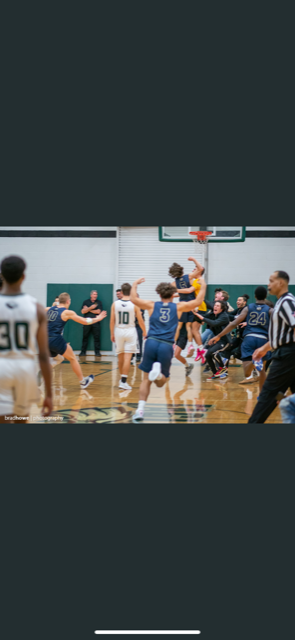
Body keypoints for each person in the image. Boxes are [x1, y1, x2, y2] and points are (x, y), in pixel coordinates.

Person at [130, 276, 206, 422]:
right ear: (173, 295)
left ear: (159, 294)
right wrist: (202, 286)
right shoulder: (178, 307)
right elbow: (197, 302)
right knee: (161, 382)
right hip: (166, 345)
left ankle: (140, 410)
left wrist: (135, 284)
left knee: (146, 380)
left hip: (151, 343)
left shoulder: (152, 305)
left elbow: (134, 299)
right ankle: (158, 374)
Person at [0, 255, 52, 423]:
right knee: (21, 421)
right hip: (25, 369)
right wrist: (49, 395)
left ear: (2, 276)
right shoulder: (37, 308)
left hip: (1, 367)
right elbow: (43, 355)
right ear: (23, 277)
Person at [248, 271, 295, 423]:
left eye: (271, 281)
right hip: (286, 352)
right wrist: (263, 349)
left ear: (281, 283)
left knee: (268, 394)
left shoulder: (288, 302)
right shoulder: (280, 303)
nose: (268, 284)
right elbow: (281, 337)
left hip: (288, 355)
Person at [210, 287, 272, 393]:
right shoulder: (270, 310)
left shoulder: (248, 308)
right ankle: (262, 396)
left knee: (247, 373)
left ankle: (254, 361)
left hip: (249, 339)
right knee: (262, 372)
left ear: (255, 296)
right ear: (266, 296)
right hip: (263, 340)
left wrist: (219, 336)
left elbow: (234, 323)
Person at [47, 292, 107, 389]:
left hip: (44, 340)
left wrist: (53, 306)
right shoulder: (67, 312)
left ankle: (43, 370)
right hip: (55, 338)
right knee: (73, 358)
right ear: (67, 301)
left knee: (58, 358)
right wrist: (98, 318)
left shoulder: (49, 309)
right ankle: (83, 382)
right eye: (70, 300)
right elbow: (84, 321)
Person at [110, 283, 146, 390]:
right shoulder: (134, 304)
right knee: (127, 358)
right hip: (130, 331)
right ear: (130, 292)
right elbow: (140, 320)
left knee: (120, 357)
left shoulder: (115, 304)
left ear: (121, 291)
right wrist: (145, 331)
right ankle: (123, 381)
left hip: (119, 330)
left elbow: (112, 321)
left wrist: (112, 333)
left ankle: (122, 380)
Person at [172, 257, 208, 362]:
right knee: (189, 328)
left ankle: (200, 349)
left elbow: (188, 291)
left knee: (193, 329)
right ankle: (195, 348)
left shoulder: (198, 281)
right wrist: (172, 294)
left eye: (194, 270)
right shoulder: (194, 281)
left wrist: (193, 259)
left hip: (198, 307)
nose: (193, 271)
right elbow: (184, 292)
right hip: (194, 306)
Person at [169, 259, 203, 351]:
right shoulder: (188, 277)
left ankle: (173, 344)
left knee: (179, 327)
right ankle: (192, 345)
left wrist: (171, 306)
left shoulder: (174, 283)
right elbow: (200, 268)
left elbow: (170, 295)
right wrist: (194, 260)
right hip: (192, 305)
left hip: (183, 306)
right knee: (190, 328)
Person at [195, 301, 232, 379]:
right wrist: (193, 313)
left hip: (225, 341)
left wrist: (203, 318)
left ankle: (222, 368)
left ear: (221, 309)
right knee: (208, 354)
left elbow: (214, 323)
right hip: (218, 340)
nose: (215, 307)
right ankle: (215, 373)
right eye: (215, 305)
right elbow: (203, 316)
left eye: (218, 306)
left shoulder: (224, 316)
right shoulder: (213, 315)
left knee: (213, 352)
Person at [79, 290, 103, 356]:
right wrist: (91, 308)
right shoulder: (85, 302)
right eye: (94, 294)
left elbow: (98, 312)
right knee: (85, 337)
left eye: (96, 294)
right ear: (91, 295)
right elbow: (83, 311)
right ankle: (83, 352)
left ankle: (97, 352)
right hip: (87, 322)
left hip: (96, 322)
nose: (95, 296)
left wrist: (88, 309)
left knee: (97, 337)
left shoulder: (99, 302)